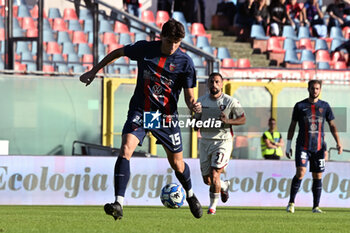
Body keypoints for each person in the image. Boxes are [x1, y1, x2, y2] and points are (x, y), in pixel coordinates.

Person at [79, 19, 203, 220]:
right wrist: (94, 71)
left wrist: (193, 105)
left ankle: (190, 194)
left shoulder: (185, 62)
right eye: (170, 41)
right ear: (161, 36)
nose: (173, 46)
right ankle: (118, 202)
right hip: (142, 111)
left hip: (166, 117)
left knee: (177, 165)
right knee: (126, 148)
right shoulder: (145, 49)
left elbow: (190, 96)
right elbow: (117, 52)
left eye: (177, 42)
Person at [285, 80, 343, 214]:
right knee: (300, 172)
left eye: (317, 88)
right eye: (312, 88)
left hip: (319, 148)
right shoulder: (300, 106)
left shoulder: (325, 106)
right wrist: (288, 145)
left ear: (320, 90)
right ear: (308, 89)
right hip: (303, 146)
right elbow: (292, 125)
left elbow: (332, 125)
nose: (315, 91)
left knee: (317, 176)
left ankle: (316, 206)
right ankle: (291, 203)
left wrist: (338, 142)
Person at [195, 72, 246, 215]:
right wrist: (195, 120)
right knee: (208, 180)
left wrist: (228, 121)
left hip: (223, 142)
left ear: (222, 84)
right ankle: (224, 185)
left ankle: (212, 208)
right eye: (211, 81)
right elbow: (196, 122)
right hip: (205, 142)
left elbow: (242, 119)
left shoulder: (230, 102)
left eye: (217, 81)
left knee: (215, 173)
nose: (214, 84)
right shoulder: (202, 101)